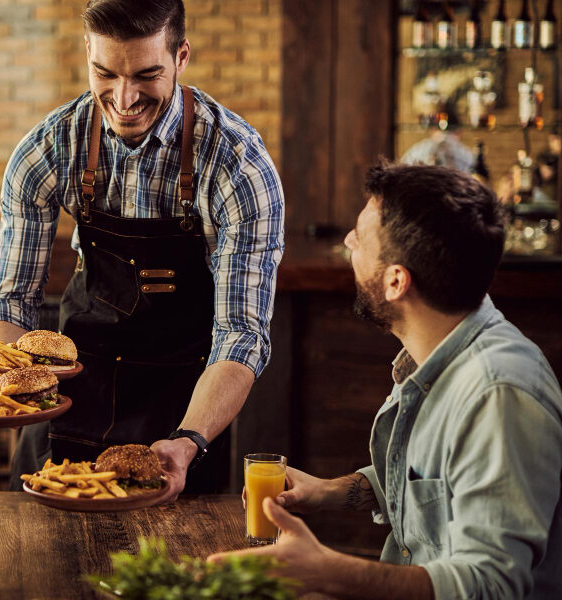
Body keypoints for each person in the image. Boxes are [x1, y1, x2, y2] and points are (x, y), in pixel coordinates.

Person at [210, 163, 562, 599]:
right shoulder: (439, 353)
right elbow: (433, 480)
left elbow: (490, 585)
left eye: (360, 236)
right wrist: (329, 491)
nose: (347, 242)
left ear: (396, 280)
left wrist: (330, 572)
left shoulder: (499, 395)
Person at [0, 0, 284, 497]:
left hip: (183, 409)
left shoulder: (237, 164)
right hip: (70, 397)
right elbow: (12, 301)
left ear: (181, 57)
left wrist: (189, 440)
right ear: (87, 52)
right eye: (105, 73)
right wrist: (6, 380)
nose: (124, 98)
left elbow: (241, 335)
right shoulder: (50, 149)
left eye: (147, 75)